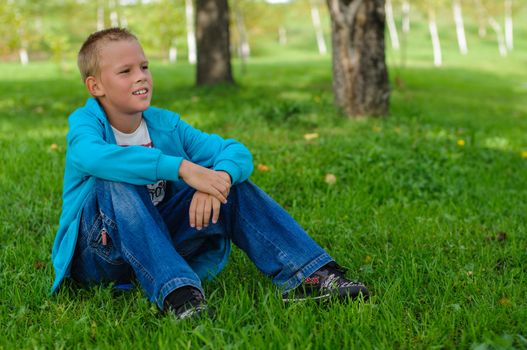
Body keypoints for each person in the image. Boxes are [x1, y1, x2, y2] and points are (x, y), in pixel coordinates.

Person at [51, 27, 368, 320]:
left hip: (161, 242)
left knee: (230, 183)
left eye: (144, 67)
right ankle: (179, 295)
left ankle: (309, 276)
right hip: (103, 255)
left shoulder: (166, 124)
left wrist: (218, 181)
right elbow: (92, 157)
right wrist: (182, 168)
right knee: (114, 177)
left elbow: (235, 151)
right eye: (126, 71)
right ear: (95, 86)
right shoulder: (86, 123)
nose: (141, 77)